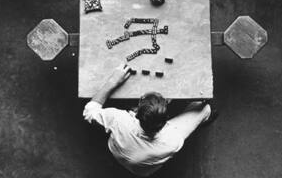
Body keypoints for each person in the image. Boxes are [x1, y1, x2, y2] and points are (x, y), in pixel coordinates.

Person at [83, 64, 216, 177]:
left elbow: (89, 111)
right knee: (204, 108)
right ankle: (206, 117)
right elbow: (172, 130)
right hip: (145, 169)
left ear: (136, 112)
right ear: (167, 119)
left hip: (121, 154)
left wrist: (112, 82)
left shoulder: (119, 120)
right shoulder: (173, 140)